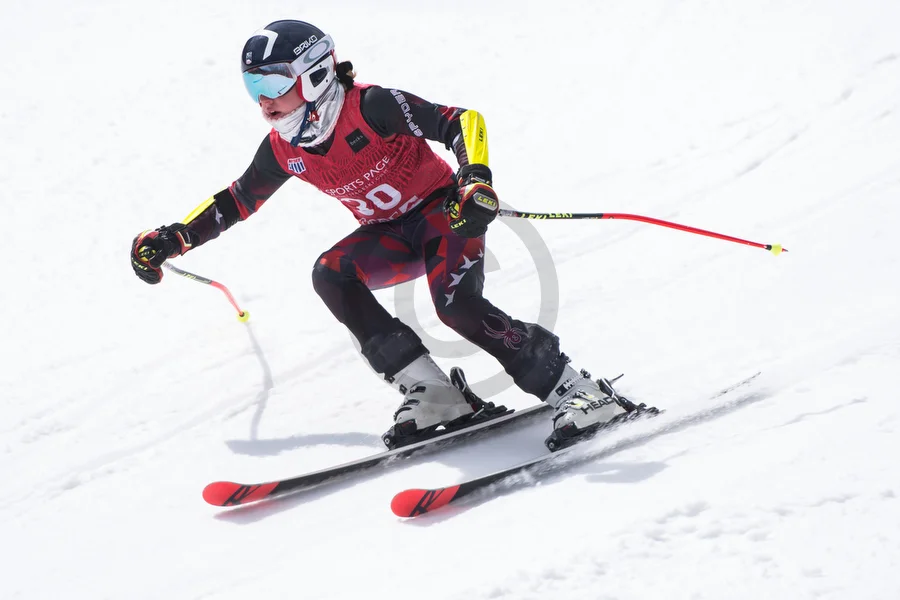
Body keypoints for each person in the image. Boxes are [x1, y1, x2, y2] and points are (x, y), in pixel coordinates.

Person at [130, 19, 631, 447]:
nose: (263, 103)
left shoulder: (371, 106)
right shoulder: (285, 148)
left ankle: (577, 390)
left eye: (272, 85)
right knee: (330, 274)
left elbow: (461, 121)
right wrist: (174, 239)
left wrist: (475, 180)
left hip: (444, 216)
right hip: (390, 234)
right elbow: (237, 199)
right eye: (252, 89)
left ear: (315, 73)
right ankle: (435, 393)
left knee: (454, 305)